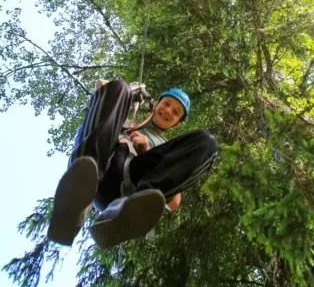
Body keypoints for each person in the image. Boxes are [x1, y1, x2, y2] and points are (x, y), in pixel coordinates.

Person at [47, 78, 218, 249]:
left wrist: (145, 151)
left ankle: (129, 209)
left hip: (129, 185)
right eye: (166, 104)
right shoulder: (125, 124)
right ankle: (77, 198)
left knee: (207, 141)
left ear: (176, 124)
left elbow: (174, 204)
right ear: (155, 105)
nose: (168, 111)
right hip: (99, 167)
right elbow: (102, 106)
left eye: (176, 112)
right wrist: (109, 90)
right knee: (120, 86)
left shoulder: (167, 149)